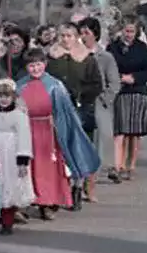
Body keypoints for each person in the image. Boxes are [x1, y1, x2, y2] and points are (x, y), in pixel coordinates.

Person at [16, 47, 100, 218]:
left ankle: (48, 203)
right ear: (26, 67)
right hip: (26, 131)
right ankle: (26, 201)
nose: (35, 69)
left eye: (38, 64)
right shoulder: (20, 85)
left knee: (48, 169)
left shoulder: (54, 85)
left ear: (45, 64)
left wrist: (66, 132)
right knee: (28, 169)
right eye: (31, 66)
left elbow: (65, 112)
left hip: (48, 132)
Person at [45, 22, 103, 205]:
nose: (66, 39)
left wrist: (81, 95)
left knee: (79, 147)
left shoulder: (87, 58)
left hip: (81, 109)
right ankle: (61, 188)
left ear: (76, 37)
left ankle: (79, 186)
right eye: (63, 35)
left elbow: (96, 84)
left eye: (70, 35)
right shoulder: (51, 57)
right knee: (59, 149)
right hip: (56, 109)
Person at [0, 78, 34, 234]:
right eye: (0, 96)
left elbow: (24, 136)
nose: (3, 100)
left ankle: (7, 221)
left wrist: (23, 160)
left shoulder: (19, 116)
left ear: (13, 97)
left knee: (11, 185)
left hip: (12, 153)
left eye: (7, 96)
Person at [107, 18, 147, 180]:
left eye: (132, 31)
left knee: (134, 132)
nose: (129, 34)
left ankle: (131, 165)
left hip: (137, 91)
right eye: (126, 31)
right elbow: (107, 68)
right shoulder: (112, 48)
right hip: (119, 92)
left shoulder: (142, 48)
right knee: (120, 130)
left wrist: (134, 77)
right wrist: (119, 77)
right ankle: (117, 165)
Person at [78, 17, 121, 186]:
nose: (83, 36)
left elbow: (114, 82)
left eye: (86, 33)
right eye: (81, 33)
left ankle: (105, 169)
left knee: (103, 136)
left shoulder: (105, 56)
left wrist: (105, 99)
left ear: (95, 34)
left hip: (99, 101)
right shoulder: (75, 55)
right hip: (80, 100)